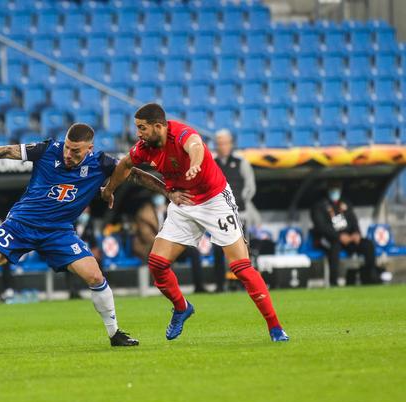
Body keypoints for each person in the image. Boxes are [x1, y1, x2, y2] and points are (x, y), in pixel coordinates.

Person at [0, 123, 177, 346]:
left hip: (59, 232)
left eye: (76, 151)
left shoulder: (101, 163)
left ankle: (114, 333)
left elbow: (135, 174)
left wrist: (169, 192)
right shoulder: (48, 150)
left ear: (89, 149)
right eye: (68, 148)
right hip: (20, 225)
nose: (69, 155)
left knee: (95, 275)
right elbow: (5, 151)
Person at [101, 103, 289, 342]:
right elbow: (126, 166)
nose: (138, 133)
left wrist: (195, 163)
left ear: (158, 126)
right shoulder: (145, 148)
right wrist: (109, 190)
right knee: (157, 263)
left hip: (214, 201)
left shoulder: (181, 133)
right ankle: (181, 307)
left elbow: (195, 146)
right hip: (184, 203)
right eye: (137, 128)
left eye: (142, 128)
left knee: (241, 267)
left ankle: (275, 327)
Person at [212, 129, 258, 292]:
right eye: (219, 143)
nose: (222, 146)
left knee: (242, 250)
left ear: (230, 144)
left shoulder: (241, 162)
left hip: (240, 213)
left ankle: (245, 283)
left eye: (224, 143)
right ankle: (219, 284)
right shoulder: (212, 163)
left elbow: (250, 186)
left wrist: (239, 202)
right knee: (218, 249)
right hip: (218, 215)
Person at [133, 193, 206, 293]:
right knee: (161, 258)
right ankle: (166, 289)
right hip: (151, 247)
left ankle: (199, 286)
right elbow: (147, 236)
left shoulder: (170, 209)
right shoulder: (144, 214)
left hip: (172, 242)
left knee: (194, 252)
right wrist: (166, 242)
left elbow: (179, 227)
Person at [311, 181, 379, 286]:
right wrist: (338, 236)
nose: (335, 192)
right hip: (330, 239)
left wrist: (356, 233)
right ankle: (334, 282)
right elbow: (321, 227)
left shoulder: (345, 204)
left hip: (349, 238)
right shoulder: (320, 206)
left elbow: (353, 220)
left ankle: (371, 276)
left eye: (337, 189)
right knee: (334, 249)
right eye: (333, 189)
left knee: (368, 245)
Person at [66, 206, 101, 299]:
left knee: (85, 270)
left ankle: (78, 290)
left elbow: (92, 237)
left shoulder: (90, 222)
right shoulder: (72, 220)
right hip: (72, 248)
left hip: (85, 249)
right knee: (71, 270)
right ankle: (72, 291)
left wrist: (95, 248)